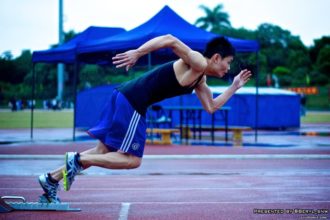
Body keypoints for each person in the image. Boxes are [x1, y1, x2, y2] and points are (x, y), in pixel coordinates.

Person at [38, 34, 252, 203]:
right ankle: (78, 159)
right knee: (132, 160)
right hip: (133, 100)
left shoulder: (200, 79)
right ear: (216, 58)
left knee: (102, 153)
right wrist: (138, 53)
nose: (228, 68)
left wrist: (233, 87)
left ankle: (50, 179)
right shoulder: (197, 60)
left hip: (123, 95)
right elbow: (170, 39)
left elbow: (211, 107)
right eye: (228, 62)